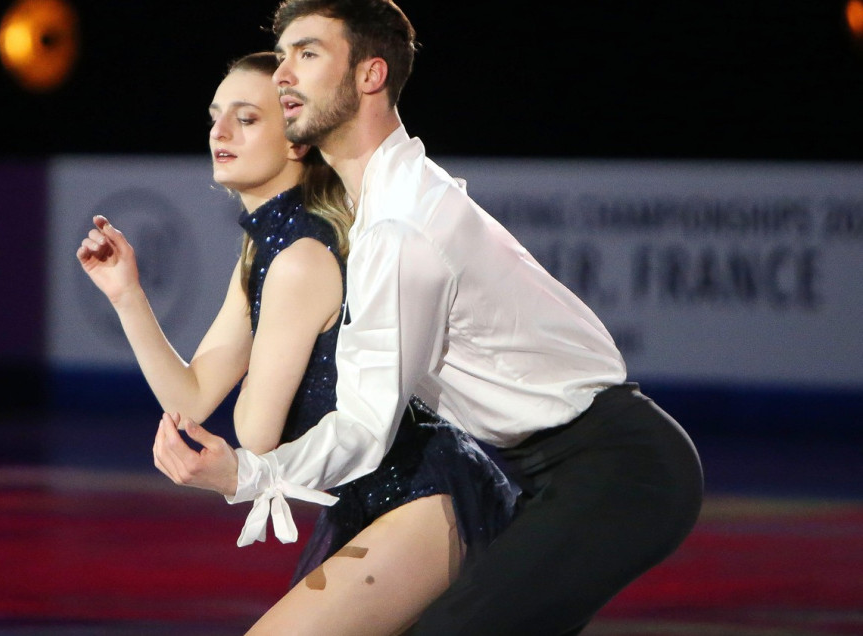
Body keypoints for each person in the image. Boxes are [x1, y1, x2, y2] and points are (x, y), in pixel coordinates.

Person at [152, 2, 705, 635]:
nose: (282, 74)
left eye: (307, 54)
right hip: (555, 472)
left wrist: (250, 474)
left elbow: (365, 425)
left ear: (370, 75)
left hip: (617, 471)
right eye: (281, 57)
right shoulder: (385, 207)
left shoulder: (401, 225)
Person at [79, 51, 518, 635]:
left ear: (296, 141)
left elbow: (255, 437)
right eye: (215, 116)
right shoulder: (266, 250)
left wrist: (235, 459)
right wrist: (127, 294)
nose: (220, 132)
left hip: (422, 494)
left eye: (248, 118)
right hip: (374, 502)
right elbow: (191, 396)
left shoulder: (299, 259)